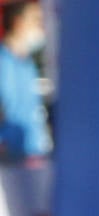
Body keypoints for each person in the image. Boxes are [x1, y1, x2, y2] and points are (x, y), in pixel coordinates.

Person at [0, 0, 50, 164]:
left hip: (33, 156)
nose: (41, 27)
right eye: (36, 20)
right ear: (18, 22)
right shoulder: (3, 62)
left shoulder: (28, 64)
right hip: (9, 159)